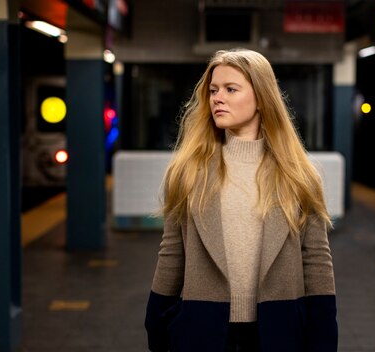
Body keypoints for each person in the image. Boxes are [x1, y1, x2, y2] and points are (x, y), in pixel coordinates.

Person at [144, 48, 338, 352]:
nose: (217, 98)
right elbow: (171, 254)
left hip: (279, 330)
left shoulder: (298, 175)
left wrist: (324, 337)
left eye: (231, 89)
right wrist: (156, 325)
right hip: (201, 330)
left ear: (261, 98)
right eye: (213, 90)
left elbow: (316, 261)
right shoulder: (187, 172)